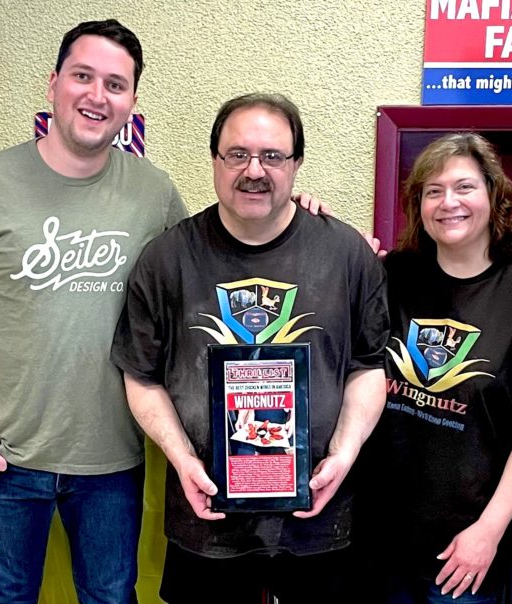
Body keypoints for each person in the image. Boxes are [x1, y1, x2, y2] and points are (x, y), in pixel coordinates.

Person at [0, 19, 183, 604]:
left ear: (132, 102)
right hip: (2, 459)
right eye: (83, 76)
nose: (97, 95)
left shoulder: (154, 192)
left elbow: (210, 267)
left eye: (115, 84)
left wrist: (296, 213)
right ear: (52, 85)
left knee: (110, 598)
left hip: (113, 461)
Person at [111, 92, 389, 603]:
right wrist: (181, 459)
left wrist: (345, 454)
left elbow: (368, 367)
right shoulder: (167, 258)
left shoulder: (346, 254)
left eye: (273, 156)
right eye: (237, 154)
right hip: (208, 517)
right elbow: (142, 374)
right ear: (215, 161)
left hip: (320, 517)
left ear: (297, 164)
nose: (254, 170)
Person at [359, 133, 512, 603]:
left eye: (464, 187)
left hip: (465, 551)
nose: (449, 202)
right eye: (433, 190)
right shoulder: (393, 276)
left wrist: (488, 532)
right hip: (380, 539)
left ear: (493, 194)